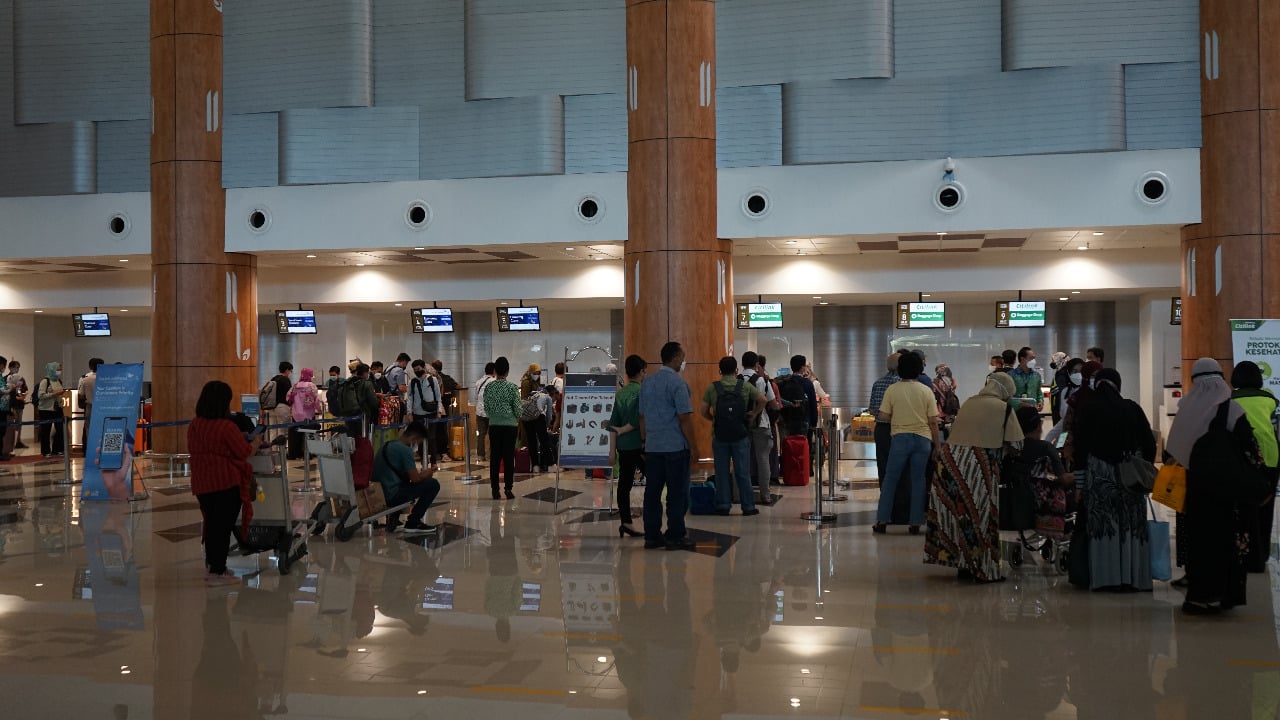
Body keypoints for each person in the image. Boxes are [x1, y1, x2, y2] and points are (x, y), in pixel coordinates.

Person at [1165, 359, 1262, 601]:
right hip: (1227, 491)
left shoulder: (1186, 408)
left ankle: (1200, 591)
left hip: (1196, 489)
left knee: (1201, 540)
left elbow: (1172, 451)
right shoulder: (1233, 410)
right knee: (1226, 539)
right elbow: (1251, 449)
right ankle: (1226, 593)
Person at [924, 373, 1024, 582]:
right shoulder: (1003, 408)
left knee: (957, 516)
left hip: (949, 463)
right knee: (981, 518)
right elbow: (1017, 445)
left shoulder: (970, 402)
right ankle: (984, 570)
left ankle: (962, 564)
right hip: (978, 466)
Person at [1072, 368, 1157, 592]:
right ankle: (1133, 578)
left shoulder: (1088, 408)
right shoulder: (1132, 408)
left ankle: (1105, 578)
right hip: (1130, 477)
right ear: (1117, 385)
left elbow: (1079, 450)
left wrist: (1079, 484)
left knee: (1104, 526)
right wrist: (1140, 468)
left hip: (1099, 476)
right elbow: (1149, 444)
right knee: (1131, 526)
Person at [188, 380, 255, 586]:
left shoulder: (195, 425)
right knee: (222, 528)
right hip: (225, 482)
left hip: (202, 482)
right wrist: (256, 441)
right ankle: (216, 572)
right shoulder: (226, 426)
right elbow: (243, 452)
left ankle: (214, 566)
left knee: (211, 526)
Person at [873, 351, 940, 535]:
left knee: (891, 479)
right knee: (918, 480)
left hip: (900, 438)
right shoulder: (926, 390)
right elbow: (933, 421)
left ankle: (882, 520)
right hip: (923, 440)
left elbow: (883, 416)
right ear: (919, 370)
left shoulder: (892, 389)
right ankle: (916, 522)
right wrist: (938, 446)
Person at [639, 341, 696, 551]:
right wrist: (694, 447)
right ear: (675, 358)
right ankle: (675, 535)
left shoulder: (647, 383)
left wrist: (644, 442)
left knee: (652, 494)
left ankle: (652, 536)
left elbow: (642, 417)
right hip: (675, 448)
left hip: (653, 448)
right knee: (677, 494)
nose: (683, 361)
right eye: (682, 357)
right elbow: (684, 418)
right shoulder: (678, 384)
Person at [1230, 360, 1280, 572]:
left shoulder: (1230, 399)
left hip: (1243, 458)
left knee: (1242, 508)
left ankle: (1243, 553)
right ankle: (1261, 556)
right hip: (1270, 456)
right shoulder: (1270, 399)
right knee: (1265, 508)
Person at [701, 356, 766, 517]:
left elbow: (703, 411)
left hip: (720, 436)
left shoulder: (712, 388)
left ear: (720, 370)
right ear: (736, 370)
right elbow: (763, 400)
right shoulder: (743, 386)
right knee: (743, 471)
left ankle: (723, 505)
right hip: (740, 435)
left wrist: (714, 420)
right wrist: (753, 414)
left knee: (721, 471)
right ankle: (748, 506)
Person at [1014, 406, 1074, 540]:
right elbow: (1063, 479)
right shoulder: (1046, 448)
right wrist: (1082, 474)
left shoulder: (1012, 449)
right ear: (1038, 426)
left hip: (1020, 501)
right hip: (1045, 504)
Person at [374, 421, 440, 534]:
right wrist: (428, 472)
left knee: (404, 482)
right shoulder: (405, 450)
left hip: (378, 493)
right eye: (418, 442)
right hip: (391, 495)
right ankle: (413, 522)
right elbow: (415, 479)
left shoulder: (387, 445)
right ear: (414, 438)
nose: (417, 445)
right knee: (433, 484)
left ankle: (394, 518)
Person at [607, 355, 647, 538]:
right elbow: (640, 419)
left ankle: (626, 522)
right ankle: (651, 520)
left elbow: (612, 425)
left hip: (624, 447)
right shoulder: (642, 392)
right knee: (654, 481)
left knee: (624, 485)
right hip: (640, 444)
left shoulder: (621, 394)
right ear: (641, 371)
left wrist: (611, 451)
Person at [483, 357, 522, 500]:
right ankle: (508, 488)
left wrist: (494, 416)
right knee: (508, 457)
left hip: (494, 425)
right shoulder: (512, 387)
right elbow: (518, 410)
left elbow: (486, 407)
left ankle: (494, 489)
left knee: (495, 457)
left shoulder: (489, 387)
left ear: (495, 371)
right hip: (509, 427)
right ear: (507, 371)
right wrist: (514, 417)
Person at [741, 351, 776, 506]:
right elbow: (773, 403)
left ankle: (743, 494)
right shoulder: (762, 380)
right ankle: (765, 495)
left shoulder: (737, 380)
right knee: (763, 460)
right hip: (761, 423)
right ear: (756, 364)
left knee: (742, 461)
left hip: (742, 425)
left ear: (742, 364)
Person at [869, 353, 901, 488]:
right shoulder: (900, 383)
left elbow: (871, 409)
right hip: (897, 428)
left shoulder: (877, 383)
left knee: (882, 464)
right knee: (898, 464)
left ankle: (884, 493)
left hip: (881, 429)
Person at [406, 360, 442, 460]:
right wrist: (409, 413)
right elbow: (410, 398)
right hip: (418, 413)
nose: (417, 371)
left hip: (431, 412)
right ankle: (423, 460)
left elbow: (438, 396)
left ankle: (433, 461)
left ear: (424, 368)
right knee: (420, 438)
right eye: (415, 370)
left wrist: (439, 411)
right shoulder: (412, 382)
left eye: (418, 369)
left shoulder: (432, 380)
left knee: (431, 438)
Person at [777, 355, 818, 438]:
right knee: (802, 447)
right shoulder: (807, 383)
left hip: (787, 420)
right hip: (803, 420)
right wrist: (814, 423)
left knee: (789, 446)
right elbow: (813, 404)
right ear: (802, 368)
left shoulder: (784, 382)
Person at [284, 368, 321, 460]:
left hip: (296, 414)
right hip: (308, 414)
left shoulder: (295, 386)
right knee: (309, 434)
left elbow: (288, 398)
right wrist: (319, 409)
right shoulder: (311, 386)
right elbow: (316, 399)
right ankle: (309, 453)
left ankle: (294, 454)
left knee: (294, 435)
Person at [36, 361, 67, 457]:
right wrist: (54, 394)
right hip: (46, 409)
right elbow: (40, 395)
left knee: (60, 429)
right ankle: (45, 451)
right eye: (58, 370)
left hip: (57, 408)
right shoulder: (45, 381)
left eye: (60, 370)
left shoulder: (58, 381)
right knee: (46, 430)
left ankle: (57, 449)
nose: (59, 371)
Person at [522, 384, 556, 473]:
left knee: (532, 441)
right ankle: (551, 465)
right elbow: (549, 415)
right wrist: (548, 426)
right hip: (538, 416)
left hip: (526, 418)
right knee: (544, 440)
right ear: (552, 393)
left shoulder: (533, 394)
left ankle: (535, 466)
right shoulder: (547, 397)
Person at [431, 360, 459, 459]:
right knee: (442, 430)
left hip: (432, 409)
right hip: (445, 408)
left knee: (432, 431)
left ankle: (433, 453)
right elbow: (458, 386)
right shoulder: (447, 378)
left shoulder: (431, 378)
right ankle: (443, 452)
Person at [261, 362, 294, 442]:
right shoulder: (285, 380)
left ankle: (274, 451)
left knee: (273, 430)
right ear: (286, 370)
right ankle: (282, 453)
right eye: (290, 371)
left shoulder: (274, 378)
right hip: (282, 407)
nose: (290, 373)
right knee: (283, 430)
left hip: (271, 407)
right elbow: (289, 395)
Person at [473, 362, 497, 463]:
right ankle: (493, 455)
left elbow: (476, 397)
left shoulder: (478, 382)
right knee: (493, 434)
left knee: (481, 435)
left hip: (480, 411)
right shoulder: (494, 381)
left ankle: (480, 455)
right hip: (491, 412)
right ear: (494, 371)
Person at [1051, 357, 1085, 425]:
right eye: (1075, 371)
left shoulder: (1085, 389)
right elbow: (1062, 416)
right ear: (1068, 371)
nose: (1078, 374)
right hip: (1065, 425)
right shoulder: (1065, 390)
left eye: (1081, 372)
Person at [349, 364, 380, 437]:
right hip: (363, 414)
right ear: (365, 373)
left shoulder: (349, 382)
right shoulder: (367, 384)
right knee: (362, 436)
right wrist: (378, 406)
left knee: (351, 436)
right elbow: (373, 401)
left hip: (349, 413)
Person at [77, 357, 102, 448]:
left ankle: (90, 449)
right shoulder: (105, 378)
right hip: (103, 407)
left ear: (90, 366)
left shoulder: (85, 379)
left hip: (90, 407)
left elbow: (81, 394)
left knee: (89, 429)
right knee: (102, 428)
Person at [4, 360, 28, 449]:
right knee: (12, 425)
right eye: (15, 367)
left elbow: (23, 390)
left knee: (19, 424)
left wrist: (23, 395)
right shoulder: (6, 378)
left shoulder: (20, 378)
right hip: (11, 405)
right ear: (10, 368)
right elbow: (8, 393)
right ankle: (11, 443)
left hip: (20, 405)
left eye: (18, 367)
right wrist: (17, 397)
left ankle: (18, 441)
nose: (17, 369)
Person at [932, 364, 959, 433]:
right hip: (950, 408)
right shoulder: (953, 381)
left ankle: (941, 441)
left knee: (940, 429)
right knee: (949, 428)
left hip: (940, 410)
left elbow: (934, 395)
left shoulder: (935, 382)